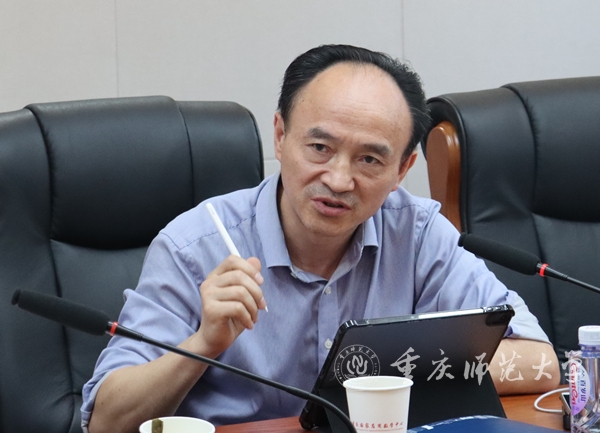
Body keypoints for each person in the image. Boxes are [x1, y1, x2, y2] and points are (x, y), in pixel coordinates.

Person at [82, 45, 559, 433]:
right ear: (280, 136)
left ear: (402, 169)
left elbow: (542, 364)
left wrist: (381, 372)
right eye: (319, 147)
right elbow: (106, 421)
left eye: (370, 159)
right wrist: (203, 343)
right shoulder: (195, 245)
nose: (338, 179)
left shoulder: (417, 234)